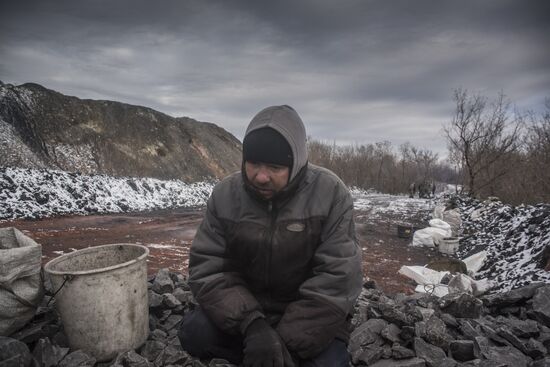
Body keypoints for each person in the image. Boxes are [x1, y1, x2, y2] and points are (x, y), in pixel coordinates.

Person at [178, 105, 363, 367]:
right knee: (193, 332)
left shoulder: (331, 194)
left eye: (275, 167)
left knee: (331, 362)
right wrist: (253, 327)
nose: (260, 177)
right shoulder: (225, 196)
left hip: (306, 316)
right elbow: (208, 269)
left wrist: (282, 343)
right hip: (247, 312)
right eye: (253, 163)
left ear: (296, 164)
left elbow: (338, 280)